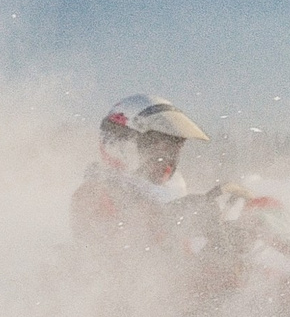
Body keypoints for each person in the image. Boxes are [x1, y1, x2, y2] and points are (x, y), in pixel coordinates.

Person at [70, 93, 211, 259]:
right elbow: (113, 262)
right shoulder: (97, 194)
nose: (167, 160)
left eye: (174, 150)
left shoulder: (168, 193)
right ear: (120, 145)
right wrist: (166, 221)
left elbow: (191, 267)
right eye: (159, 148)